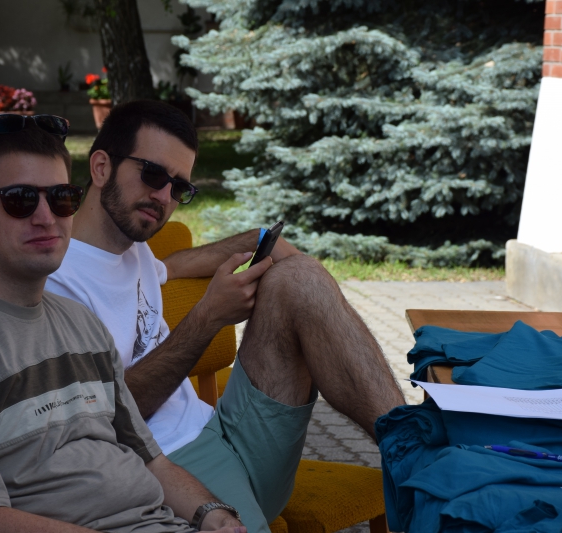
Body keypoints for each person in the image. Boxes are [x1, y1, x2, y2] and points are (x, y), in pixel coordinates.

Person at [0, 114, 249, 533]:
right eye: (20, 199)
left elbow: (153, 461)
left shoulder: (80, 323)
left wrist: (213, 515)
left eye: (61, 198)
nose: (46, 217)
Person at [45, 101, 407, 533]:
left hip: (223, 431)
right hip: (167, 465)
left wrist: (256, 240)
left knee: (300, 277)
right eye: (153, 175)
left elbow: (171, 265)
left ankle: (413, 450)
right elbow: (110, 416)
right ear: (101, 167)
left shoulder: (132, 247)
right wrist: (209, 315)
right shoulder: (55, 281)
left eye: (179, 187)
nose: (164, 197)